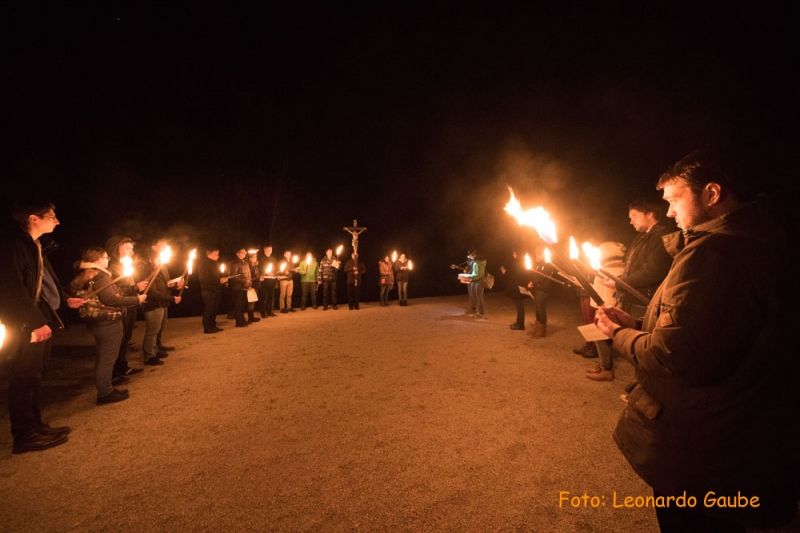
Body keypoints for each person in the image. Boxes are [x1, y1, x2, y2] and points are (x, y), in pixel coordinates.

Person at [594, 150, 799, 531]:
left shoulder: (717, 253)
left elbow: (676, 355)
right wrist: (638, 323)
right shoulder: (760, 239)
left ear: (712, 194)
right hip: (740, 437)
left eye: (675, 199)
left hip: (707, 449)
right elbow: (713, 330)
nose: (670, 212)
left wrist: (618, 334)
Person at [0, 200, 83, 453]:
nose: (57, 221)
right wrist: (35, 321)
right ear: (33, 218)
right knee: (23, 377)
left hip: (31, 319)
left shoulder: (34, 245)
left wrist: (64, 299)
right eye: (51, 216)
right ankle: (24, 435)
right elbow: (12, 289)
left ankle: (36, 426)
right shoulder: (13, 246)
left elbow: (42, 287)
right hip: (21, 322)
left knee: (34, 375)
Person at [574, 197, 672, 358]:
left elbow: (652, 272)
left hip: (646, 299)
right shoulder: (643, 237)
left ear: (650, 214)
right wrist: (618, 279)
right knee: (636, 342)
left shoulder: (662, 237)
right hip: (634, 296)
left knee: (645, 343)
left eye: (634, 216)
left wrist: (619, 282)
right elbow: (632, 266)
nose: (631, 221)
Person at [69, 246, 146, 405]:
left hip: (96, 321)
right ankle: (105, 393)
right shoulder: (101, 276)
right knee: (107, 358)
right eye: (105, 257)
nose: (108, 260)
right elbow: (110, 300)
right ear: (98, 260)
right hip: (107, 322)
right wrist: (136, 300)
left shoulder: (86, 275)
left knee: (103, 356)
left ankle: (106, 388)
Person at [105, 235, 147, 383]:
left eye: (132, 248)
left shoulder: (125, 265)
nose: (132, 251)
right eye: (128, 248)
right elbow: (113, 292)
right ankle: (112, 374)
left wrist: (136, 291)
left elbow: (127, 287)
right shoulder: (110, 267)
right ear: (116, 248)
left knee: (125, 339)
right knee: (117, 341)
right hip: (118, 309)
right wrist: (135, 288)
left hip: (130, 307)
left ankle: (122, 366)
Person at [582, 242, 625, 381]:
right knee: (603, 337)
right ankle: (604, 365)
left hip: (607, 308)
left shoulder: (614, 270)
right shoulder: (607, 268)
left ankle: (605, 369)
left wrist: (604, 310)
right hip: (604, 307)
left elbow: (611, 294)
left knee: (600, 337)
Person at [140, 248, 181, 365]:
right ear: (151, 259)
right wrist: (172, 298)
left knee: (158, 329)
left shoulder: (160, 269)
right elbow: (152, 293)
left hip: (161, 303)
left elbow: (164, 284)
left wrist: (174, 285)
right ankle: (149, 356)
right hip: (152, 305)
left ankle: (155, 350)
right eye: (158, 259)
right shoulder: (147, 272)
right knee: (152, 331)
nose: (160, 261)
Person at [198, 247, 227, 333]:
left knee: (215, 309)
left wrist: (224, 280)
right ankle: (207, 328)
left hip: (216, 289)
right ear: (209, 255)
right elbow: (204, 279)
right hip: (208, 290)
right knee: (209, 309)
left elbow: (218, 276)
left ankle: (213, 325)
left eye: (218, 254)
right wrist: (218, 280)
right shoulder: (204, 264)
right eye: (215, 254)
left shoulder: (216, 264)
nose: (218, 256)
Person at [500, 251, 527, 330]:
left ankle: (520, 324)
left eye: (514, 253)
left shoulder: (518, 263)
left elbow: (512, 274)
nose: (513, 255)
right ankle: (518, 322)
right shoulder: (521, 262)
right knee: (518, 305)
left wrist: (504, 271)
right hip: (518, 287)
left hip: (517, 288)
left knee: (519, 306)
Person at [228, 248, 252, 327]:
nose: (244, 254)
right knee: (238, 305)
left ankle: (242, 319)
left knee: (243, 304)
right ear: (237, 253)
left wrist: (249, 284)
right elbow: (234, 276)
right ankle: (239, 321)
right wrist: (244, 281)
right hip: (237, 287)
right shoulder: (234, 263)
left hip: (245, 286)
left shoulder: (246, 262)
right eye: (242, 252)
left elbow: (248, 274)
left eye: (245, 252)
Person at [258, 244, 278, 318]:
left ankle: (269, 311)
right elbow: (260, 268)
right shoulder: (261, 258)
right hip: (264, 281)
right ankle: (263, 312)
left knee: (270, 297)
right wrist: (266, 273)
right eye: (268, 250)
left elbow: (275, 268)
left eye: (271, 250)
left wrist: (273, 273)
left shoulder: (273, 258)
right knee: (263, 297)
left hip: (271, 280)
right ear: (264, 249)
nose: (269, 251)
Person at [465, 250, 487, 318]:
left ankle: (481, 313)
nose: (470, 257)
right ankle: (475, 310)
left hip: (479, 281)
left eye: (470, 256)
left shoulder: (479, 262)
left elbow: (478, 275)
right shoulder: (475, 261)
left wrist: (468, 277)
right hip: (474, 280)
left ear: (474, 255)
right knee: (474, 295)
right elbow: (474, 271)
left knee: (480, 297)